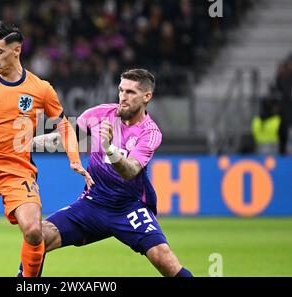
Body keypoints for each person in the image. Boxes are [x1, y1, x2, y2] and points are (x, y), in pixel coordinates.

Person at [0, 20, 93, 277]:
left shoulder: (40, 89)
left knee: (34, 231)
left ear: (17, 50)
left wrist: (74, 160)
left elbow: (65, 127)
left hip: (18, 171)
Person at [20, 68, 193, 277]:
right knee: (38, 237)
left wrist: (109, 148)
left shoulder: (150, 133)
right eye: (121, 90)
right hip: (93, 203)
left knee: (164, 259)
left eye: (131, 92)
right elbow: (63, 139)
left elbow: (130, 170)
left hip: (128, 208)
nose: (123, 97)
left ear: (147, 97)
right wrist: (23, 144)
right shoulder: (100, 114)